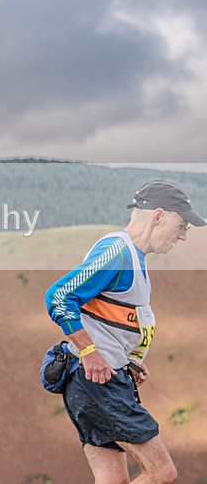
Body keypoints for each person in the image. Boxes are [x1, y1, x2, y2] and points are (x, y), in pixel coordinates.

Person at [45, 180, 205, 483]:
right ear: (158, 216)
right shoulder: (118, 252)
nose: (183, 236)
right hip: (97, 381)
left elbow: (106, 317)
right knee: (162, 472)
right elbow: (60, 295)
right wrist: (91, 353)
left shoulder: (133, 258)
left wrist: (127, 359)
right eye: (181, 225)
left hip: (101, 380)